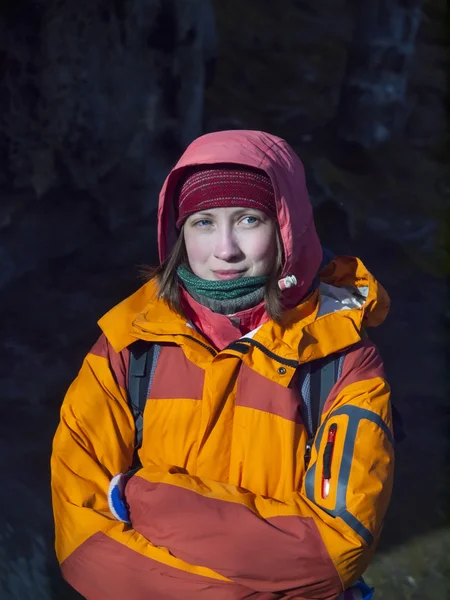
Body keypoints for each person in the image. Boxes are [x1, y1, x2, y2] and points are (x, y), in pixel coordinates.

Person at [51, 130, 394, 599]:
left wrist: (141, 494)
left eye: (249, 219)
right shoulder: (128, 345)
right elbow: (84, 547)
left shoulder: (342, 361)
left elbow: (333, 555)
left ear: (287, 226)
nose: (225, 250)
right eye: (203, 223)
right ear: (178, 232)